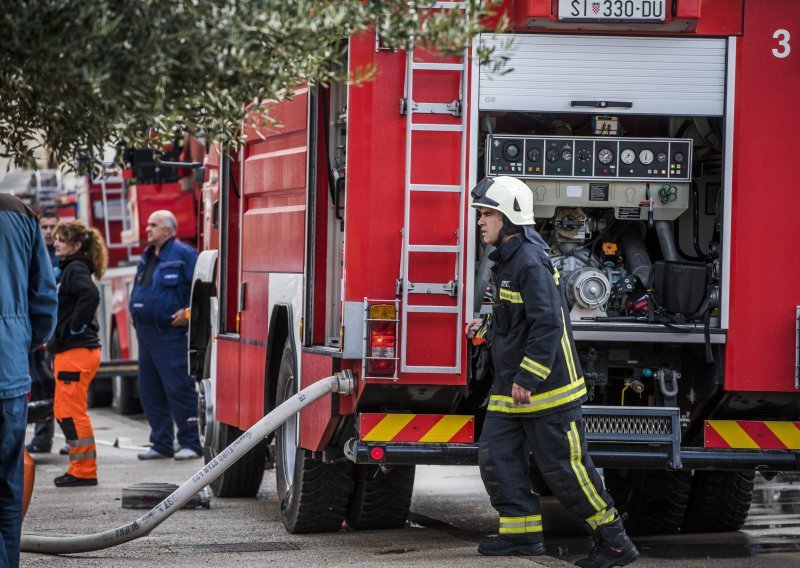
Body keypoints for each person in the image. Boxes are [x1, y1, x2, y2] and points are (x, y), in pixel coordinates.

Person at [465, 176, 638, 567]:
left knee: (565, 472)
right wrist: (487, 328)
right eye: (481, 214)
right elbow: (519, 320)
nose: (481, 222)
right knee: (497, 457)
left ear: (509, 217)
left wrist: (528, 377)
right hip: (511, 388)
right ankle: (521, 536)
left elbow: (548, 325)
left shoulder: (530, 261)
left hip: (546, 389)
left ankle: (613, 541)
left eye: (487, 214)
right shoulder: (509, 259)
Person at [0, 194, 57, 566]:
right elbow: (45, 296)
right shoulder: (18, 211)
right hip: (9, 371)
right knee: (7, 484)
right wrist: (23, 344)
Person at [129, 210, 201, 461]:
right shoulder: (148, 256)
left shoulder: (184, 255)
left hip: (170, 335)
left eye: (153, 225)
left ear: (168, 230)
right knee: (150, 391)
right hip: (146, 335)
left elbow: (204, 290)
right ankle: (161, 443)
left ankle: (191, 442)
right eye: (148, 224)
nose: (147, 228)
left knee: (178, 389)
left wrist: (190, 313)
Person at [47, 221, 108, 488]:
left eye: (62, 239)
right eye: (56, 239)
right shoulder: (71, 268)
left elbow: (90, 295)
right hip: (74, 351)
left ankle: (84, 471)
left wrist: (75, 327)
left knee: (71, 413)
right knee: (65, 411)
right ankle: (79, 467)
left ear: (77, 245)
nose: (55, 242)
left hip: (77, 351)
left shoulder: (75, 269)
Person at [26, 211, 61, 455]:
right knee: (40, 387)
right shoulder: (34, 251)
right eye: (45, 227)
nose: (48, 231)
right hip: (40, 336)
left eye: (52, 227)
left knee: (59, 389)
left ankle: (69, 439)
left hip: (58, 336)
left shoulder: (65, 256)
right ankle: (42, 439)